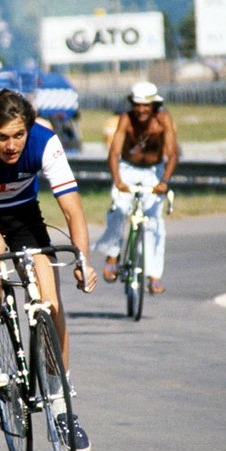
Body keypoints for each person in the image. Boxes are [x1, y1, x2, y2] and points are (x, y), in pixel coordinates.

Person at [0, 88, 97, 451]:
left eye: (18, 135)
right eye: (1, 137)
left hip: (24, 216)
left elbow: (73, 211)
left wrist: (83, 260)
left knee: (51, 303)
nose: (12, 145)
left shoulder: (45, 141)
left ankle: (61, 408)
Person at [94, 81, 178, 295]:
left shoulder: (163, 119)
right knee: (118, 210)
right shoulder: (126, 119)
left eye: (145, 106)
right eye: (137, 105)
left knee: (154, 222)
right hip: (127, 168)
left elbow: (173, 154)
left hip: (153, 171)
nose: (141, 110)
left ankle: (154, 276)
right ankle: (113, 254)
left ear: (154, 106)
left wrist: (164, 181)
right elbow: (113, 153)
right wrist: (118, 181)